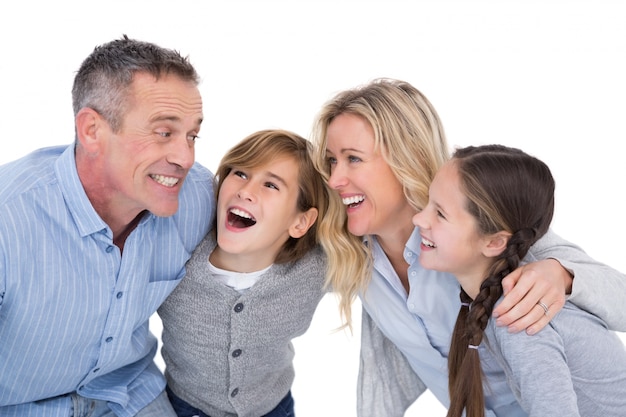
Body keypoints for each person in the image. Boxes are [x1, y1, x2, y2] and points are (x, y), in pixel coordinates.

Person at [309, 78, 626, 416]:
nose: (334, 179)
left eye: (353, 159)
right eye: (331, 161)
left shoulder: (478, 217)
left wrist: (561, 275)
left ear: (408, 156)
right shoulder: (349, 252)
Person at [0, 36, 214, 416]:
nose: (185, 157)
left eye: (192, 135)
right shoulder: (9, 219)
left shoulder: (197, 197)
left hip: (130, 396)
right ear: (92, 131)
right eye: (164, 133)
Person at [412, 144, 626, 416]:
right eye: (427, 204)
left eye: (440, 214)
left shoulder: (517, 315)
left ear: (494, 242)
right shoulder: (494, 297)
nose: (418, 218)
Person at [158, 129, 330, 417]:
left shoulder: (316, 267)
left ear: (301, 222)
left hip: (274, 407)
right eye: (239, 173)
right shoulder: (178, 253)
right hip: (185, 407)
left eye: (271, 185)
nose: (245, 191)